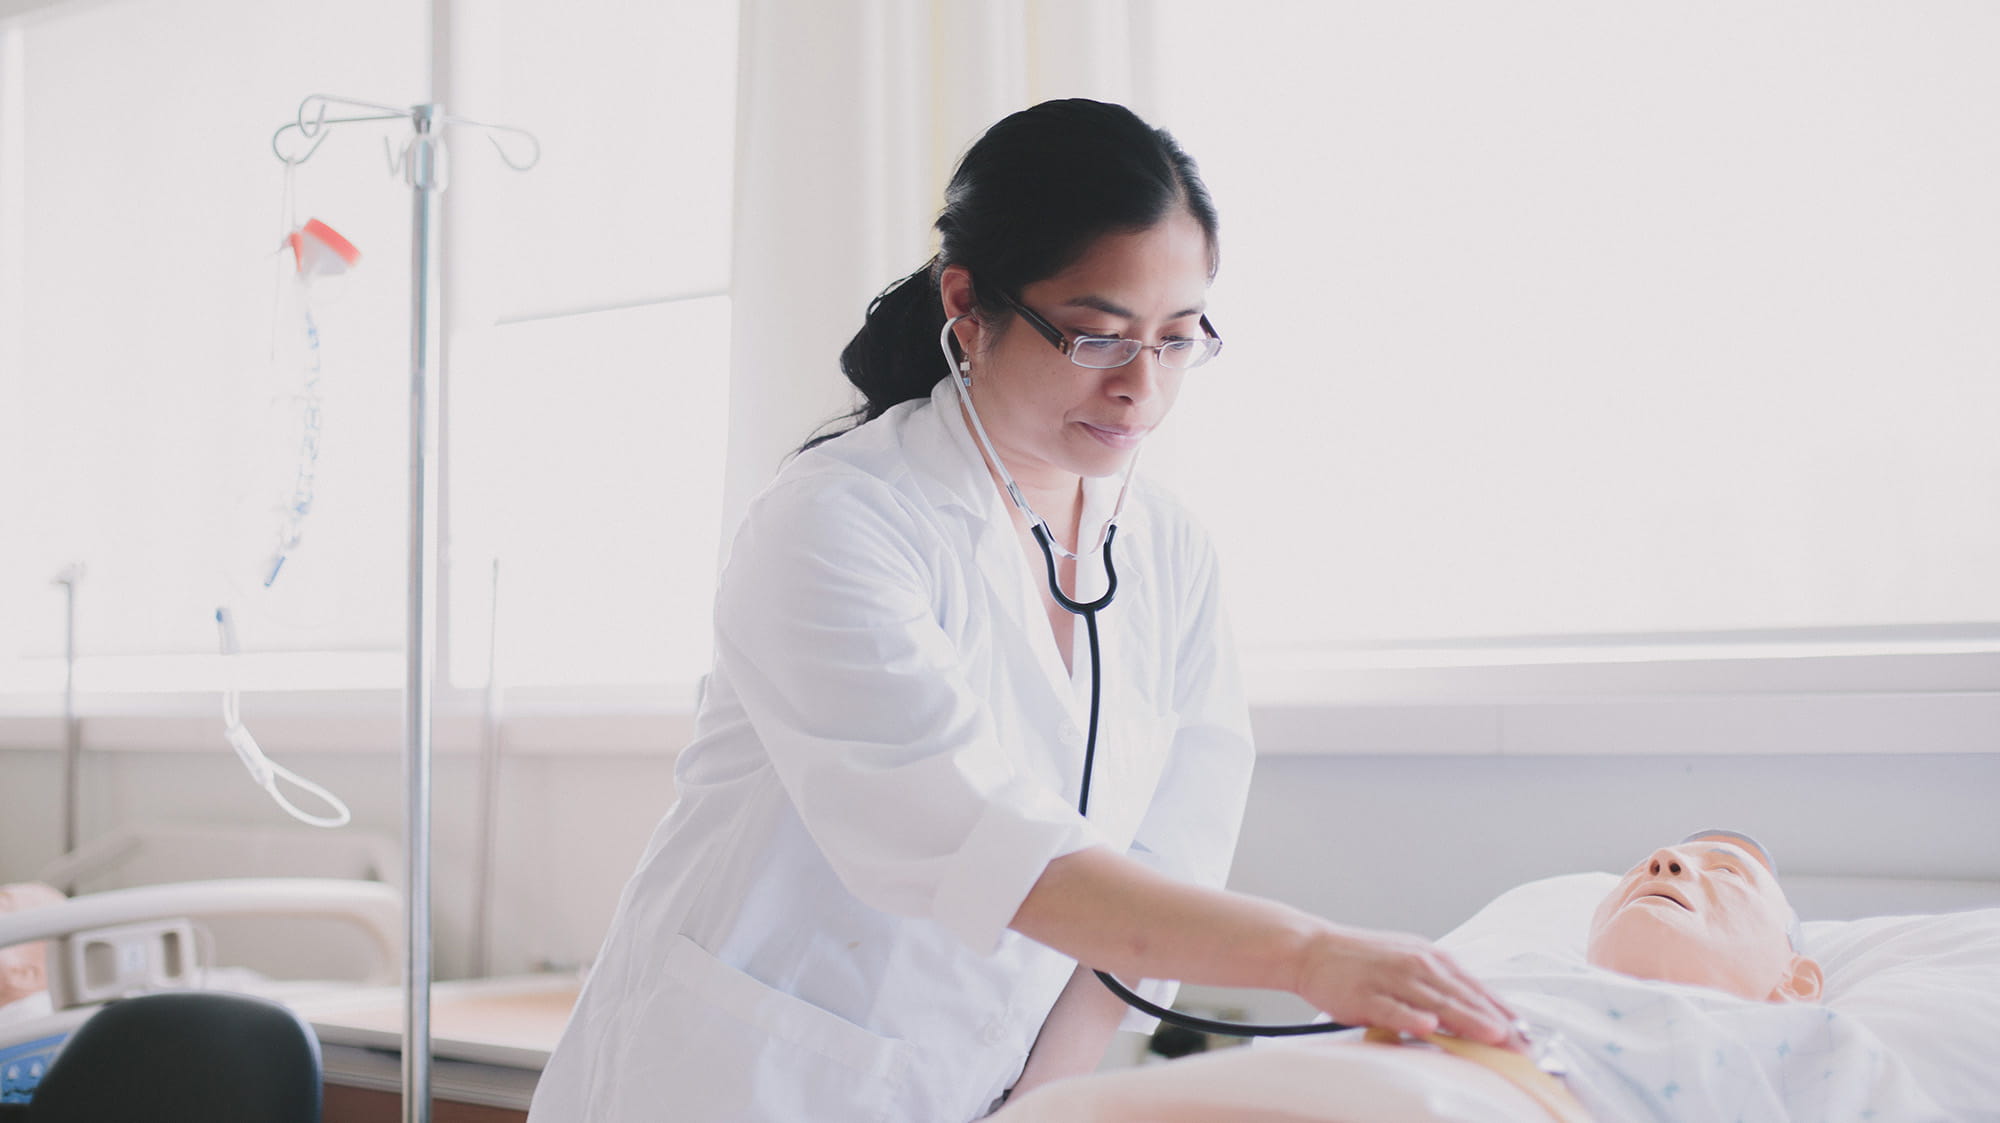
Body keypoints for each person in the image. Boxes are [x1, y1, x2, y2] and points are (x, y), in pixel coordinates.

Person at [526, 99, 1519, 1123]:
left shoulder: (1168, 551)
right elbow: (972, 838)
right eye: (1097, 337)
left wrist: (1045, 1095)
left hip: (996, 1090)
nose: (1142, 386)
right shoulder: (838, 520)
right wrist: (1307, 955)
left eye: (1177, 340)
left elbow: (1167, 853)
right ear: (968, 303)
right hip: (741, 1084)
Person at [994, 831, 1946, 1123]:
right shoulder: (1505, 960)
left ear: (1797, 978)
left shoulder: (1807, 1044)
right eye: (1651, 864)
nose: (1668, 867)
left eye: (1721, 875)